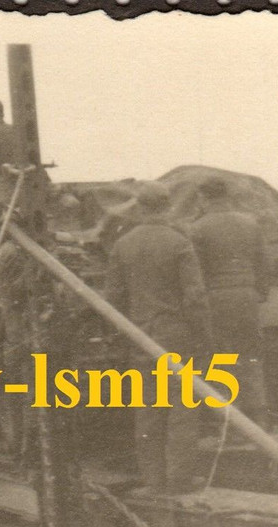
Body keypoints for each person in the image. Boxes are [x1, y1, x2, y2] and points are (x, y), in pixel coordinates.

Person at [105, 182, 213, 495]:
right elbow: (195, 297)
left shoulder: (122, 245)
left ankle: (153, 479)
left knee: (148, 406)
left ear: (139, 207)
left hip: (140, 334)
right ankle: (179, 477)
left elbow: (113, 298)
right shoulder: (179, 242)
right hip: (176, 334)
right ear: (167, 206)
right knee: (183, 404)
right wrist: (204, 337)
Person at [188, 177, 270, 428]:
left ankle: (230, 425)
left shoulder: (197, 229)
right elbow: (264, 264)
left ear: (203, 197)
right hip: (247, 297)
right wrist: (259, 293)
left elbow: (195, 273)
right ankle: (260, 420)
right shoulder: (250, 224)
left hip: (217, 299)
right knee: (251, 358)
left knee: (223, 359)